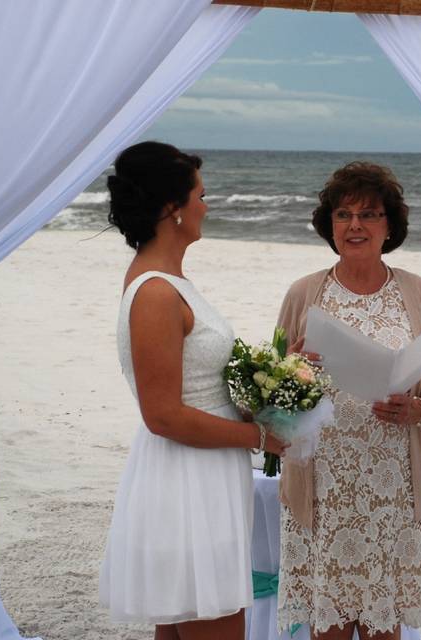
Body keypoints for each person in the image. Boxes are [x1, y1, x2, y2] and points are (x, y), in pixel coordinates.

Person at [98, 141, 287, 640]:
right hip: (188, 481)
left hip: (202, 471)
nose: (207, 205)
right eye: (201, 194)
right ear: (171, 209)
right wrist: (259, 438)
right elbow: (162, 414)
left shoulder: (167, 281)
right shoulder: (157, 293)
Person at [276, 161, 421, 640]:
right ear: (329, 226)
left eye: (369, 214)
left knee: (384, 630)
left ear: (389, 226)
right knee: (327, 628)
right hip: (322, 486)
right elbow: (272, 394)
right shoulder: (303, 294)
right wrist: (291, 372)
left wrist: (420, 408)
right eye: (343, 214)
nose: (355, 225)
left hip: (392, 487)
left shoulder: (418, 293)